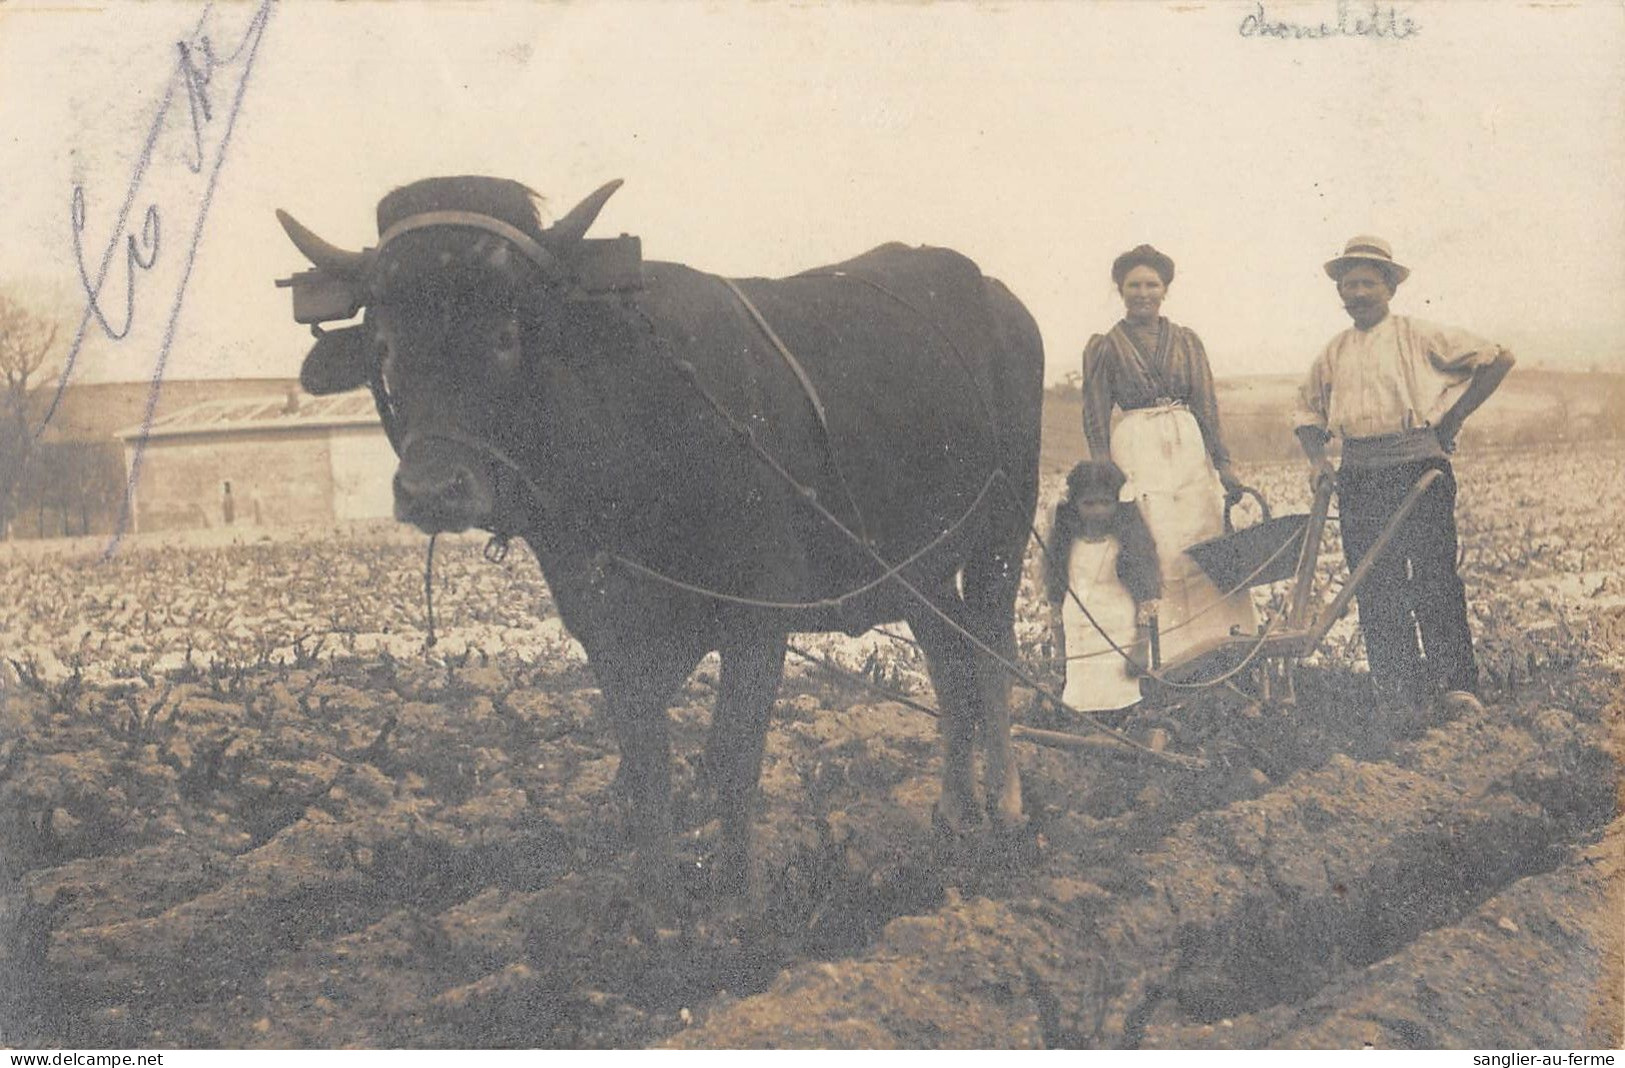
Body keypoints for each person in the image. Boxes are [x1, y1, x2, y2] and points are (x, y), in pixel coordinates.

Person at [1293, 235, 1515, 725]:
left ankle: (1456, 687)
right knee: (1375, 584)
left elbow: (1498, 358)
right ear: (1340, 294)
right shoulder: (1333, 352)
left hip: (1419, 470)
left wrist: (1453, 420)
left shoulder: (1420, 335)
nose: (1357, 293)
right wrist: (1317, 460)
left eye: (1368, 282)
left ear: (1390, 287)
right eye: (1349, 285)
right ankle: (1398, 693)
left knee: (1435, 577)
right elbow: (1307, 411)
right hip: (1360, 479)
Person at [1081, 245, 1256, 666]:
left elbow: (1207, 404)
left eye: (1151, 285)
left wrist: (1224, 463)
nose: (1143, 293)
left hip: (1188, 446)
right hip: (1137, 447)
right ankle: (1164, 655)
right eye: (1134, 285)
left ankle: (1220, 648)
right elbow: (1096, 413)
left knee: (1202, 535)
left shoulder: (1186, 342)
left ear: (1165, 290)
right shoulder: (1105, 347)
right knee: (1151, 539)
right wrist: (1103, 471)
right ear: (1120, 290)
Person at [1044, 460, 1161, 714]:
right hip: (1078, 635)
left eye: (1105, 503)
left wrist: (1141, 646)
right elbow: (1055, 598)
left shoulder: (1127, 544)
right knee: (1081, 702)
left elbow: (1147, 598)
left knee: (1120, 700)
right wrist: (1060, 647)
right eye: (1088, 503)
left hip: (1118, 633)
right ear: (1073, 504)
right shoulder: (1065, 544)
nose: (1097, 511)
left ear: (1118, 503)